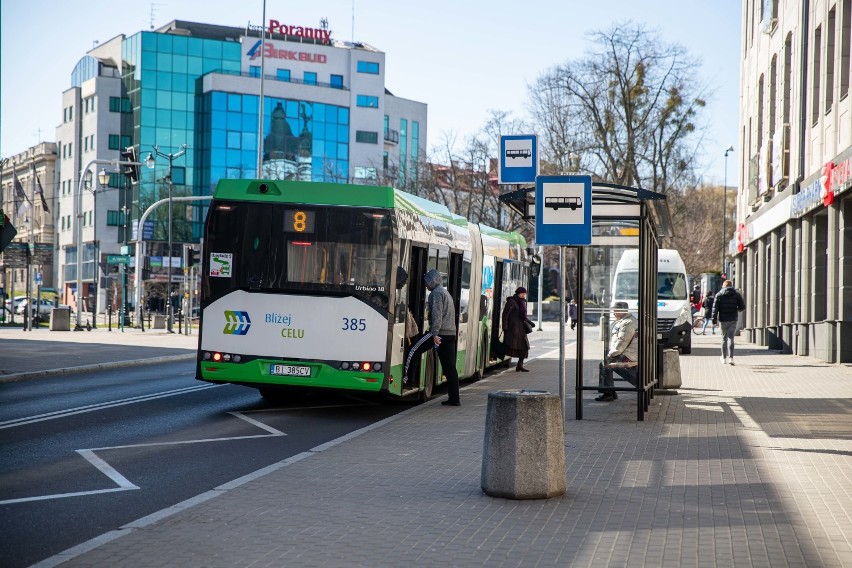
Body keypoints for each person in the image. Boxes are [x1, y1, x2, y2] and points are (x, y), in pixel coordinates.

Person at [596, 301, 638, 402]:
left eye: (616, 311)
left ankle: (608, 392)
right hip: (628, 353)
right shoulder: (624, 321)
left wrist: (611, 354)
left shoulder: (627, 323)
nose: (614, 313)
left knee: (605, 364)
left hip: (628, 355)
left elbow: (621, 343)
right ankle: (610, 391)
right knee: (604, 363)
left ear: (623, 311)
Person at [712, 280, 746, 365]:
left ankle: (723, 358)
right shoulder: (737, 295)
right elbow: (742, 307)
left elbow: (715, 309)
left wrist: (714, 320)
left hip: (723, 319)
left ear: (723, 286)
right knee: (731, 338)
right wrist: (735, 309)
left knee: (724, 338)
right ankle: (731, 358)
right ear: (731, 286)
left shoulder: (719, 295)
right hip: (733, 319)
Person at [502, 287, 532, 372]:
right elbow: (505, 315)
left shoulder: (522, 302)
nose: (523, 295)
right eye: (522, 293)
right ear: (518, 293)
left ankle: (520, 364)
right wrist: (505, 327)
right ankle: (498, 357)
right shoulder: (512, 301)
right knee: (508, 346)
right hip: (513, 329)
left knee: (525, 347)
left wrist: (530, 322)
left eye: (524, 293)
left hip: (521, 328)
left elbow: (523, 316)